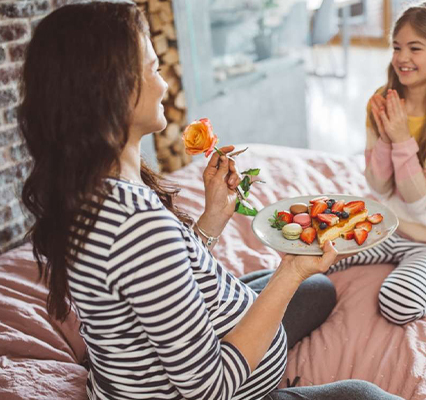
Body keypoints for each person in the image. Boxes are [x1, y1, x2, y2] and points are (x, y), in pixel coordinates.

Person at [18, 2, 402, 400]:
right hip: (220, 389)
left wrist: (211, 220)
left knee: (318, 288)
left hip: (156, 358)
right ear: (113, 89)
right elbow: (207, 389)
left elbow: (156, 273)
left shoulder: (86, 191)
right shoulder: (136, 225)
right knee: (366, 395)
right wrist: (290, 272)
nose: (164, 82)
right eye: (152, 68)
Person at [328, 2, 426, 325]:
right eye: (397, 47)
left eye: (415, 48)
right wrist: (386, 137)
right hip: (390, 223)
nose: (401, 57)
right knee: (316, 253)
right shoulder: (382, 99)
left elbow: (418, 202)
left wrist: (400, 139)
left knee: (398, 303)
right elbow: (379, 185)